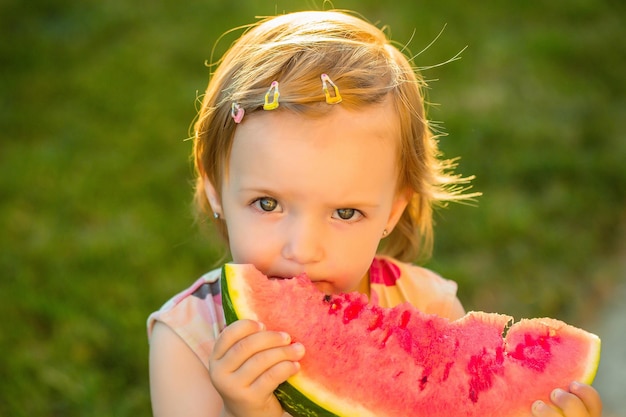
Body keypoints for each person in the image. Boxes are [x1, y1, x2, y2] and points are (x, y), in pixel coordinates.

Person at [147, 10, 602, 417]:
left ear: (392, 210)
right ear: (214, 191)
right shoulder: (187, 341)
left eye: (345, 212)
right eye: (267, 204)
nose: (303, 248)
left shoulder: (428, 303)